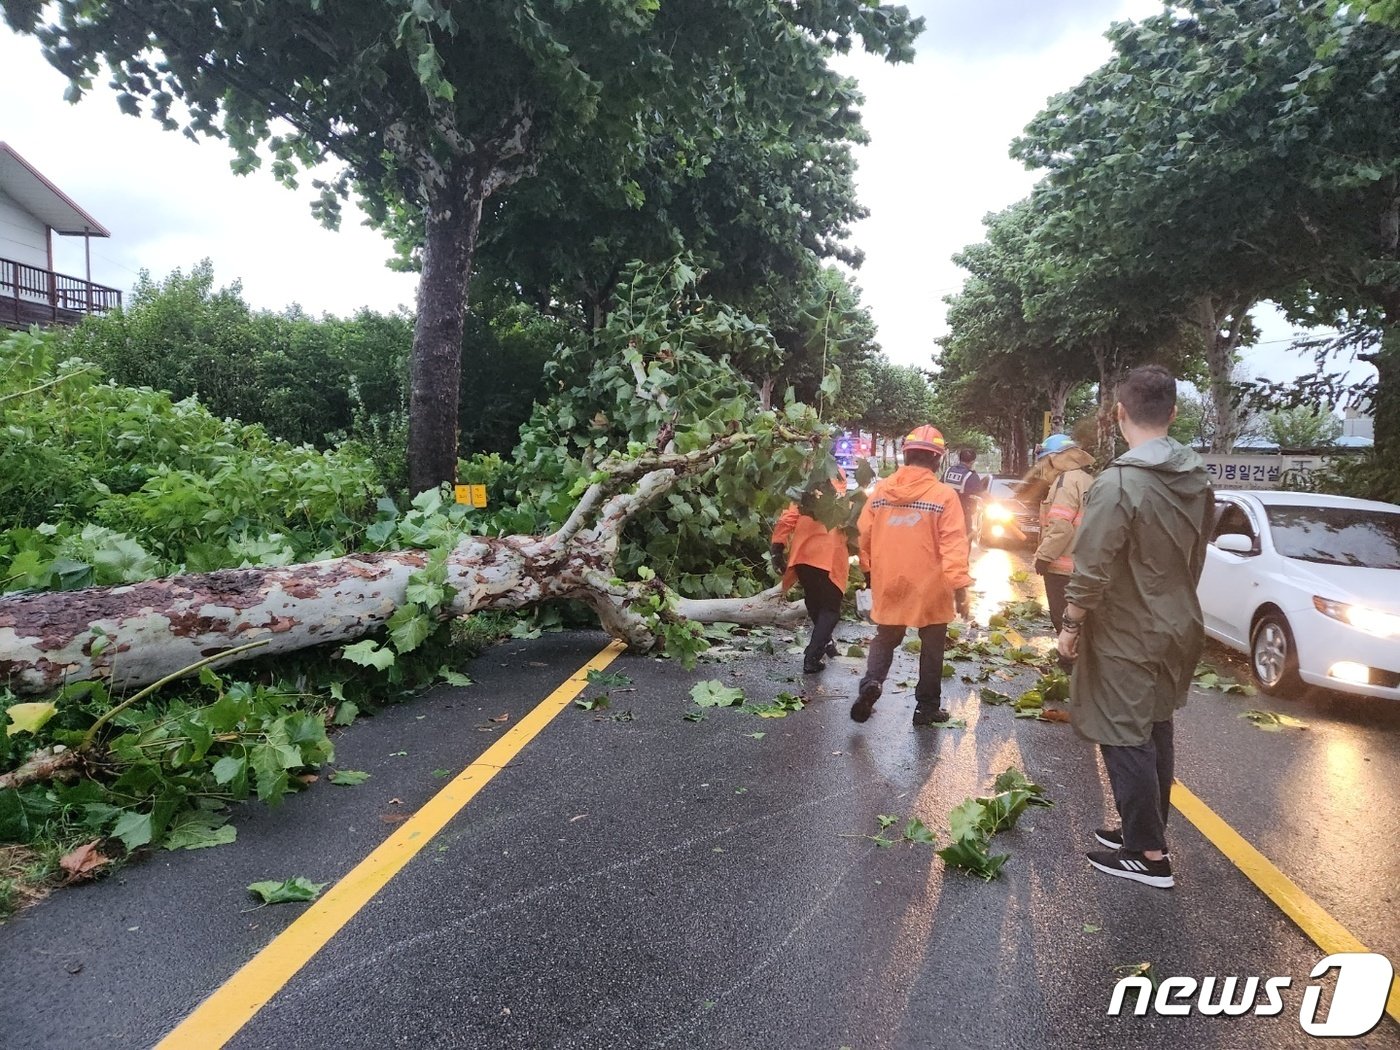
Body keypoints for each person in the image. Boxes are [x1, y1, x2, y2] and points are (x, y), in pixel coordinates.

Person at [1057, 365, 1214, 890]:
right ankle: (1141, 829)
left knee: (1123, 734)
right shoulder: (1197, 479)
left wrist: (1072, 624)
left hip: (1128, 629)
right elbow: (1197, 556)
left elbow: (1093, 566)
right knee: (1154, 727)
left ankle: (1147, 854)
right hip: (1178, 622)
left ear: (1119, 414)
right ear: (1172, 413)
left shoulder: (1119, 483)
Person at [851, 425, 972, 726]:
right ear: (937, 461)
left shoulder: (881, 492)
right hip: (931, 585)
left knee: (886, 637)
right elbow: (954, 544)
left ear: (906, 455)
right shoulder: (944, 496)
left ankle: (871, 683)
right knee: (932, 647)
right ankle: (926, 708)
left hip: (889, 579)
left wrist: (868, 572)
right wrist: (960, 587)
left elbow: (862, 534)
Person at [771, 468, 850, 674]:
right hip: (828, 558)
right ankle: (812, 656)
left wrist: (777, 549)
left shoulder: (805, 495)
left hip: (802, 556)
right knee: (830, 610)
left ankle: (825, 644)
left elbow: (787, 519)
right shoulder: (843, 501)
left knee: (813, 602)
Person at [1031, 434, 1096, 632]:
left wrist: (1043, 556)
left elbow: (1061, 525)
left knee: (1063, 621)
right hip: (1083, 565)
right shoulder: (1087, 479)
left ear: (1054, 459)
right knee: (1080, 624)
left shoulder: (1065, 482)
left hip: (1062, 568)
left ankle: (1069, 661)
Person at [942, 447, 984, 525]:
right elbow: (982, 494)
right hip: (962, 516)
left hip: (943, 513)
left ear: (959, 458)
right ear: (972, 462)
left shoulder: (948, 471)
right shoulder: (971, 476)